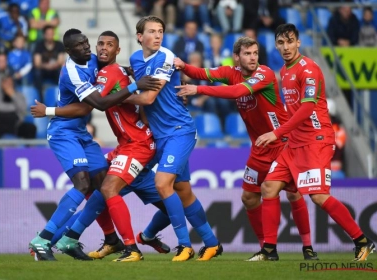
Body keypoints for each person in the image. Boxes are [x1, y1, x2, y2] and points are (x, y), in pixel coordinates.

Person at [174, 36, 318, 261]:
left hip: (281, 143)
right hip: (260, 148)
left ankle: (308, 248)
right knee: (249, 198)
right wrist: (184, 66)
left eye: (255, 53)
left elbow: (236, 92)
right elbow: (202, 72)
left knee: (293, 194)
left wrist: (198, 90)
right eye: (248, 54)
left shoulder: (265, 74)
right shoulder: (230, 72)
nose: (253, 58)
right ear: (236, 58)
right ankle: (266, 250)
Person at [31, 30, 169, 262]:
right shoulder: (72, 72)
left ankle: (102, 239)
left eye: (87, 42)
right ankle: (42, 240)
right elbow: (93, 106)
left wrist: (127, 70)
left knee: (101, 183)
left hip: (81, 134)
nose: (88, 48)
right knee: (83, 184)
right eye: (81, 45)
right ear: (68, 51)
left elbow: (113, 67)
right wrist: (48, 111)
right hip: (63, 133)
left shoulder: (93, 60)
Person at [251, 23, 375, 261]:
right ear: (276, 45)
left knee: (318, 196)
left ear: (298, 42)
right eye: (281, 43)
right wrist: (283, 133)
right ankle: (269, 250)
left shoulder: (309, 69)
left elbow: (307, 108)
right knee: (269, 187)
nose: (286, 47)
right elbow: (293, 109)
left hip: (316, 140)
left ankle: (362, 241)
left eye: (290, 41)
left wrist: (276, 134)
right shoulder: (284, 71)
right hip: (294, 142)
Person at [125, 15, 222, 262]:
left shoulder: (165, 57)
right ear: (140, 37)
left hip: (180, 130)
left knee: (161, 183)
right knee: (183, 190)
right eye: (152, 31)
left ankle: (184, 246)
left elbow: (147, 98)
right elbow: (142, 89)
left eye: (161, 31)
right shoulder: (135, 59)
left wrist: (115, 98)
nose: (158, 35)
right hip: (160, 136)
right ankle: (211, 243)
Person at [0, 74, 36, 139]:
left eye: (10, 82)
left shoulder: (19, 95)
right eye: (6, 82)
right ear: (1, 83)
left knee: (30, 128)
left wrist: (12, 95)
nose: (8, 85)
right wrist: (15, 107)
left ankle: (29, 148)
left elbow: (23, 109)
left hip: (14, 124)